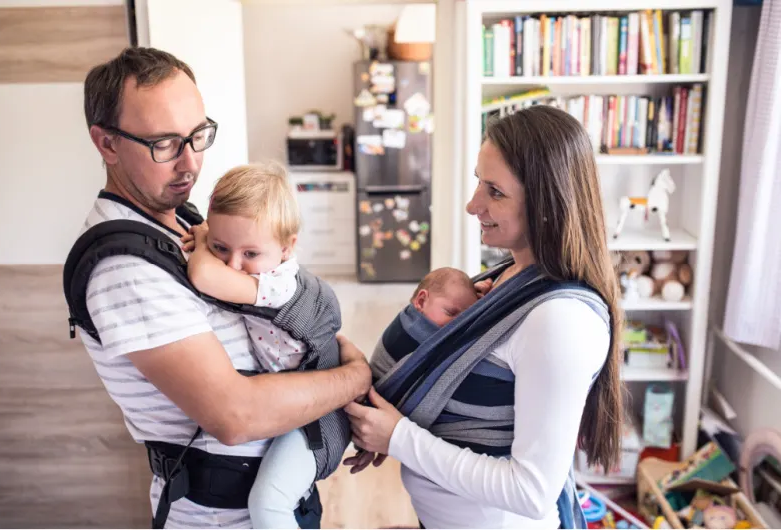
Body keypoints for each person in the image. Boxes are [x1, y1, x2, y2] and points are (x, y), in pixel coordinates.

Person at [74, 47, 370, 528]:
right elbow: (235, 417)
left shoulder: (186, 222)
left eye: (197, 136)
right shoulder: (124, 268)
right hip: (224, 515)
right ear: (107, 144)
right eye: (165, 144)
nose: (190, 163)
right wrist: (354, 379)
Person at [343, 106, 623, 529]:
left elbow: (530, 491)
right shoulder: (506, 280)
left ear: (547, 201)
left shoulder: (560, 321)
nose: (474, 204)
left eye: (495, 191)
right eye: (479, 181)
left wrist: (399, 437)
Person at [179, 161, 339, 528]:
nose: (234, 264)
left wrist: (205, 240)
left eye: (250, 254)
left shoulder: (279, 284)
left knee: (269, 502)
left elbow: (204, 275)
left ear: (287, 248)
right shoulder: (260, 265)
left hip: (315, 415)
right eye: (222, 246)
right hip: (292, 402)